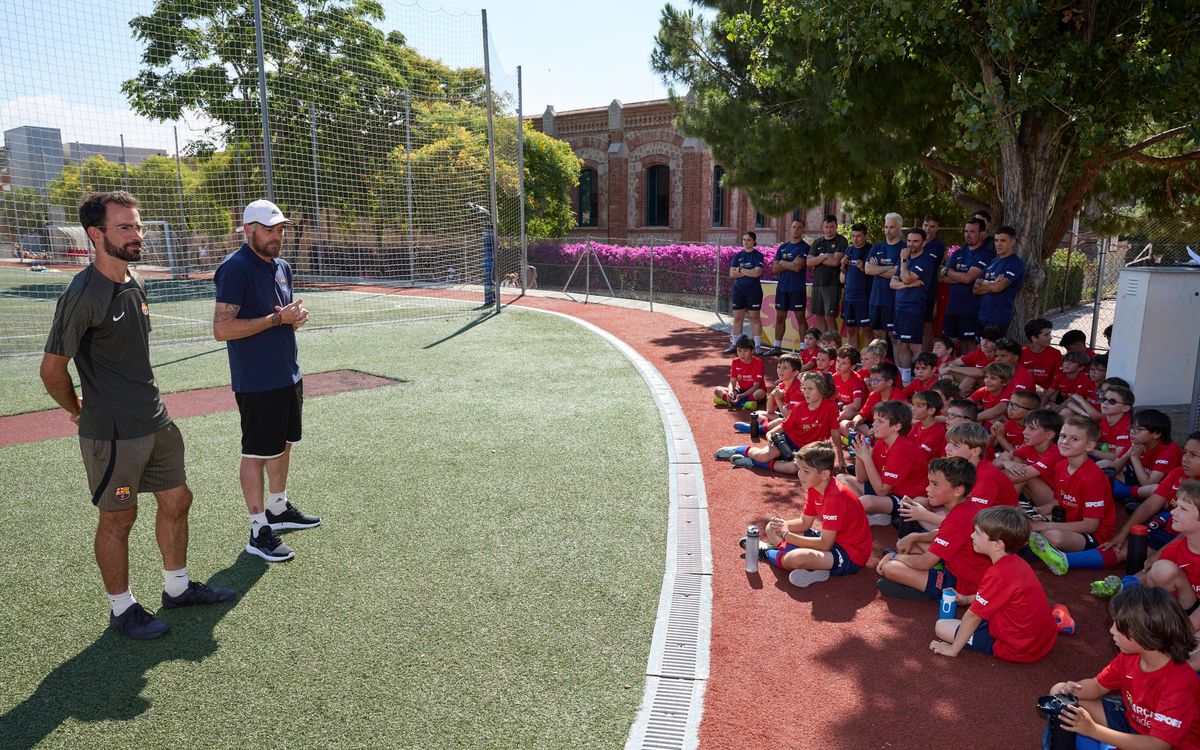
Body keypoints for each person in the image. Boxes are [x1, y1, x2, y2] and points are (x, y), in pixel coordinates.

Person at [41, 191, 234, 640]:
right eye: (125, 227)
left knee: (177, 500)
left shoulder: (135, 279)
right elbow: (52, 370)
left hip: (155, 420)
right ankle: (121, 609)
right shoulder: (82, 295)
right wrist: (76, 410)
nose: (137, 234)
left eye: (138, 226)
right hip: (112, 433)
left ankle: (177, 588)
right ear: (96, 234)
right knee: (118, 519)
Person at [214, 199, 320, 563]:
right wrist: (275, 321)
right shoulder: (235, 268)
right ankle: (258, 528)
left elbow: (282, 313)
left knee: (284, 443)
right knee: (256, 453)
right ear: (249, 230)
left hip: (287, 373)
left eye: (281, 229)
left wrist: (294, 317)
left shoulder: (282, 267)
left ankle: (278, 507)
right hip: (257, 381)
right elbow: (222, 328)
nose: (278, 235)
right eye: (270, 229)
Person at [1045, 587, 1200, 749]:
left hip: (1162, 744)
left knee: (1080, 725)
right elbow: (1097, 685)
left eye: (1118, 626)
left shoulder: (1180, 684)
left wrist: (1093, 730)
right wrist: (1072, 690)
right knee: (1060, 698)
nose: (1112, 631)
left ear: (1145, 634)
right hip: (1132, 722)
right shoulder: (1130, 656)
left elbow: (1158, 745)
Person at [929, 506, 1057, 663]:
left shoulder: (998, 573)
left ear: (998, 544)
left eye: (977, 533)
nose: (971, 535)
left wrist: (952, 649)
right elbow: (999, 594)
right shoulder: (1018, 563)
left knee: (941, 627)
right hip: (1041, 640)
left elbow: (973, 617)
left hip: (1019, 648)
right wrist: (968, 599)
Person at [746, 441, 872, 588]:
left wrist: (788, 536)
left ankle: (768, 552)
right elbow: (805, 522)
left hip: (850, 554)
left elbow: (825, 545)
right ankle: (806, 563)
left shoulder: (835, 497)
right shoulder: (815, 487)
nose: (800, 474)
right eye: (799, 469)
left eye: (806, 471)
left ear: (825, 474)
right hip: (832, 540)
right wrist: (783, 526)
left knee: (796, 558)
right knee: (770, 528)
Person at [875, 457, 990, 600]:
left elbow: (925, 562)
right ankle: (922, 580)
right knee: (914, 546)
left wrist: (894, 557)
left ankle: (929, 591)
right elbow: (942, 534)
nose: (927, 489)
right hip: (962, 568)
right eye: (929, 483)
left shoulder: (958, 517)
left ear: (958, 490)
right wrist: (914, 536)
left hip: (963, 585)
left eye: (935, 484)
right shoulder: (966, 507)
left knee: (890, 568)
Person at [1028, 416, 1117, 575]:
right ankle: (1043, 548)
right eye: (1063, 436)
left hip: (1093, 534)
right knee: (1021, 523)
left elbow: (1090, 526)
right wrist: (1038, 511)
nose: (1065, 442)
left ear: (1090, 445)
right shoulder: (1061, 466)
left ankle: (1061, 556)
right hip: (1070, 522)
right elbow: (1061, 500)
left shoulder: (1092, 478)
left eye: (1074, 439)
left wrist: (1043, 525)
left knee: (1054, 536)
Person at [717, 372, 840, 473]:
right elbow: (783, 426)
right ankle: (739, 450)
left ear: (822, 390)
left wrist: (841, 459)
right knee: (762, 456)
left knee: (793, 469)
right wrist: (771, 435)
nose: (806, 392)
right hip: (788, 441)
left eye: (811, 389)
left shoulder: (831, 407)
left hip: (809, 449)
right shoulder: (799, 408)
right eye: (804, 388)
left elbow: (834, 432)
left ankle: (751, 462)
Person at [840, 400, 930, 526]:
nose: (874, 424)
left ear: (897, 426)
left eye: (880, 421)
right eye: (875, 419)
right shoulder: (882, 442)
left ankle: (874, 514)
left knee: (866, 501)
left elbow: (881, 491)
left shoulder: (902, 448)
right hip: (887, 492)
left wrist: (867, 458)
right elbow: (861, 478)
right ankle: (879, 515)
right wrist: (860, 455)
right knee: (841, 479)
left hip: (906, 498)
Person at [1147, 481, 1200, 629]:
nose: (1172, 512)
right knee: (1161, 569)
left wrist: (1185, 631)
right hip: (1190, 603)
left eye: (1183, 509)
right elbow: (1153, 582)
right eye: (1177, 506)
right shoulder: (1175, 548)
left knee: (1193, 650)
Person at [890, 227, 938, 383]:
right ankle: (905, 381)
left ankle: (921, 380)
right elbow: (893, 282)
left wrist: (904, 264)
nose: (911, 244)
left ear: (923, 242)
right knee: (902, 344)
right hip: (899, 306)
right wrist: (906, 285)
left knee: (915, 346)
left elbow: (906, 277)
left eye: (916, 241)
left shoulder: (925, 260)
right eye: (909, 241)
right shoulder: (906, 258)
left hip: (914, 308)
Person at [939, 218, 994, 354]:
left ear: (982, 234)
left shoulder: (986, 254)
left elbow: (968, 278)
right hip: (952, 307)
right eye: (966, 231)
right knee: (947, 343)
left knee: (968, 345)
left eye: (972, 232)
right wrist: (960, 276)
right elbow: (944, 278)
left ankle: (968, 373)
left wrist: (950, 272)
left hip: (971, 309)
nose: (968, 235)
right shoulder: (958, 253)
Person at [995, 408, 1064, 512]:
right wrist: (1006, 462)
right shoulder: (1029, 447)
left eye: (1031, 428)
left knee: (1025, 477)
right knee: (1018, 469)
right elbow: (994, 464)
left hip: (1056, 502)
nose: (1024, 432)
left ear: (1049, 435)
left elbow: (1014, 477)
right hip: (1035, 495)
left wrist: (1005, 464)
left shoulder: (1055, 454)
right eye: (1025, 427)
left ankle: (1003, 511)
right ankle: (1003, 508)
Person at [1113, 409, 1182, 506]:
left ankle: (1121, 492)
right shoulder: (1137, 441)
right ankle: (1129, 494)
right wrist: (1127, 455)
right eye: (1132, 427)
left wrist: (1135, 458)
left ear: (1156, 434)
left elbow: (1148, 484)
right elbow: (1112, 470)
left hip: (1159, 489)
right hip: (1140, 482)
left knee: (1154, 488)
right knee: (1105, 464)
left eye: (1139, 429)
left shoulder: (1169, 451)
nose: (1132, 432)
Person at [973, 225, 1025, 333]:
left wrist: (984, 283)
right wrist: (990, 284)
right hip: (982, 315)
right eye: (996, 240)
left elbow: (998, 287)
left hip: (999, 318)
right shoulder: (993, 262)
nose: (998, 244)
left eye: (1003, 241)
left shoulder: (1015, 263)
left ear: (1013, 242)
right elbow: (975, 289)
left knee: (994, 349)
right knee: (980, 348)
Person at [768, 220, 809, 355]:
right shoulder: (783, 247)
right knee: (779, 317)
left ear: (803, 230)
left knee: (800, 318)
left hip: (797, 288)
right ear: (790, 229)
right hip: (782, 288)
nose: (795, 229)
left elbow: (798, 267)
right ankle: (777, 347)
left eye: (799, 227)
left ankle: (804, 348)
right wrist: (790, 263)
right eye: (793, 227)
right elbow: (775, 268)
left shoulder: (804, 247)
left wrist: (783, 263)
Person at [725, 231, 767, 354]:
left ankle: (757, 346)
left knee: (754, 318)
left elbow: (756, 273)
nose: (745, 242)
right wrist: (748, 270)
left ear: (754, 241)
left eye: (748, 240)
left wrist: (741, 269)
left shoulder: (758, 255)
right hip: (739, 290)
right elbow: (732, 273)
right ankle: (734, 344)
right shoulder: (738, 255)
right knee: (737, 318)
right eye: (743, 240)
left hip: (754, 291)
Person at [866, 213, 904, 342]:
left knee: (893, 337)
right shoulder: (877, 247)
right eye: (886, 227)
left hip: (893, 299)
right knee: (877, 334)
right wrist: (890, 268)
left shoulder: (904, 247)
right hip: (876, 298)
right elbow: (868, 269)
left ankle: (893, 362)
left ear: (899, 227)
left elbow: (898, 272)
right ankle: (880, 361)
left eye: (892, 227)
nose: (888, 230)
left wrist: (877, 269)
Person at [806, 214, 847, 333]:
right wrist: (825, 256)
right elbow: (809, 262)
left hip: (832, 284)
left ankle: (833, 346)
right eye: (826, 227)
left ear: (836, 227)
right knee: (819, 316)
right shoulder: (817, 242)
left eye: (832, 227)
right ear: (823, 227)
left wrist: (818, 259)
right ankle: (824, 346)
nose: (829, 229)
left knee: (829, 317)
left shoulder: (841, 241)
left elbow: (835, 262)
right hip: (818, 284)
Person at [840, 222, 873, 349]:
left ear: (865, 236)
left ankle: (870, 362)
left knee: (867, 331)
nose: (855, 239)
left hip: (864, 297)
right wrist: (843, 266)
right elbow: (843, 275)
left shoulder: (871, 250)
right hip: (849, 296)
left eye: (858, 236)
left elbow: (874, 272)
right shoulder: (849, 249)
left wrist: (864, 267)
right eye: (853, 236)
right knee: (851, 330)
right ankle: (853, 359)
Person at [714, 335, 767, 409]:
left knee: (760, 394)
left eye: (745, 351)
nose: (742, 354)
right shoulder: (735, 361)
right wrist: (730, 391)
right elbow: (732, 382)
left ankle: (729, 401)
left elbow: (756, 386)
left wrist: (743, 395)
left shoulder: (758, 362)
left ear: (752, 351)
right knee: (717, 389)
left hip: (754, 391)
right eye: (739, 350)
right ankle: (743, 403)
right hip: (740, 390)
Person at [920, 213, 946, 349]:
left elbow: (926, 265)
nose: (928, 229)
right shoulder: (915, 241)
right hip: (912, 290)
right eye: (926, 225)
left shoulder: (938, 246)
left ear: (937, 229)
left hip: (928, 290)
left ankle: (928, 357)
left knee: (925, 325)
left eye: (932, 227)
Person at [1020, 317, 1063, 390]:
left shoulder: (1055, 353)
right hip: (1025, 392)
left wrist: (1047, 396)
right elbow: (1019, 378)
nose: (1050, 338)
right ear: (1034, 338)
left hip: (1047, 393)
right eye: (1046, 335)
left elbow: (1057, 380)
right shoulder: (1021, 353)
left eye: (1050, 334)